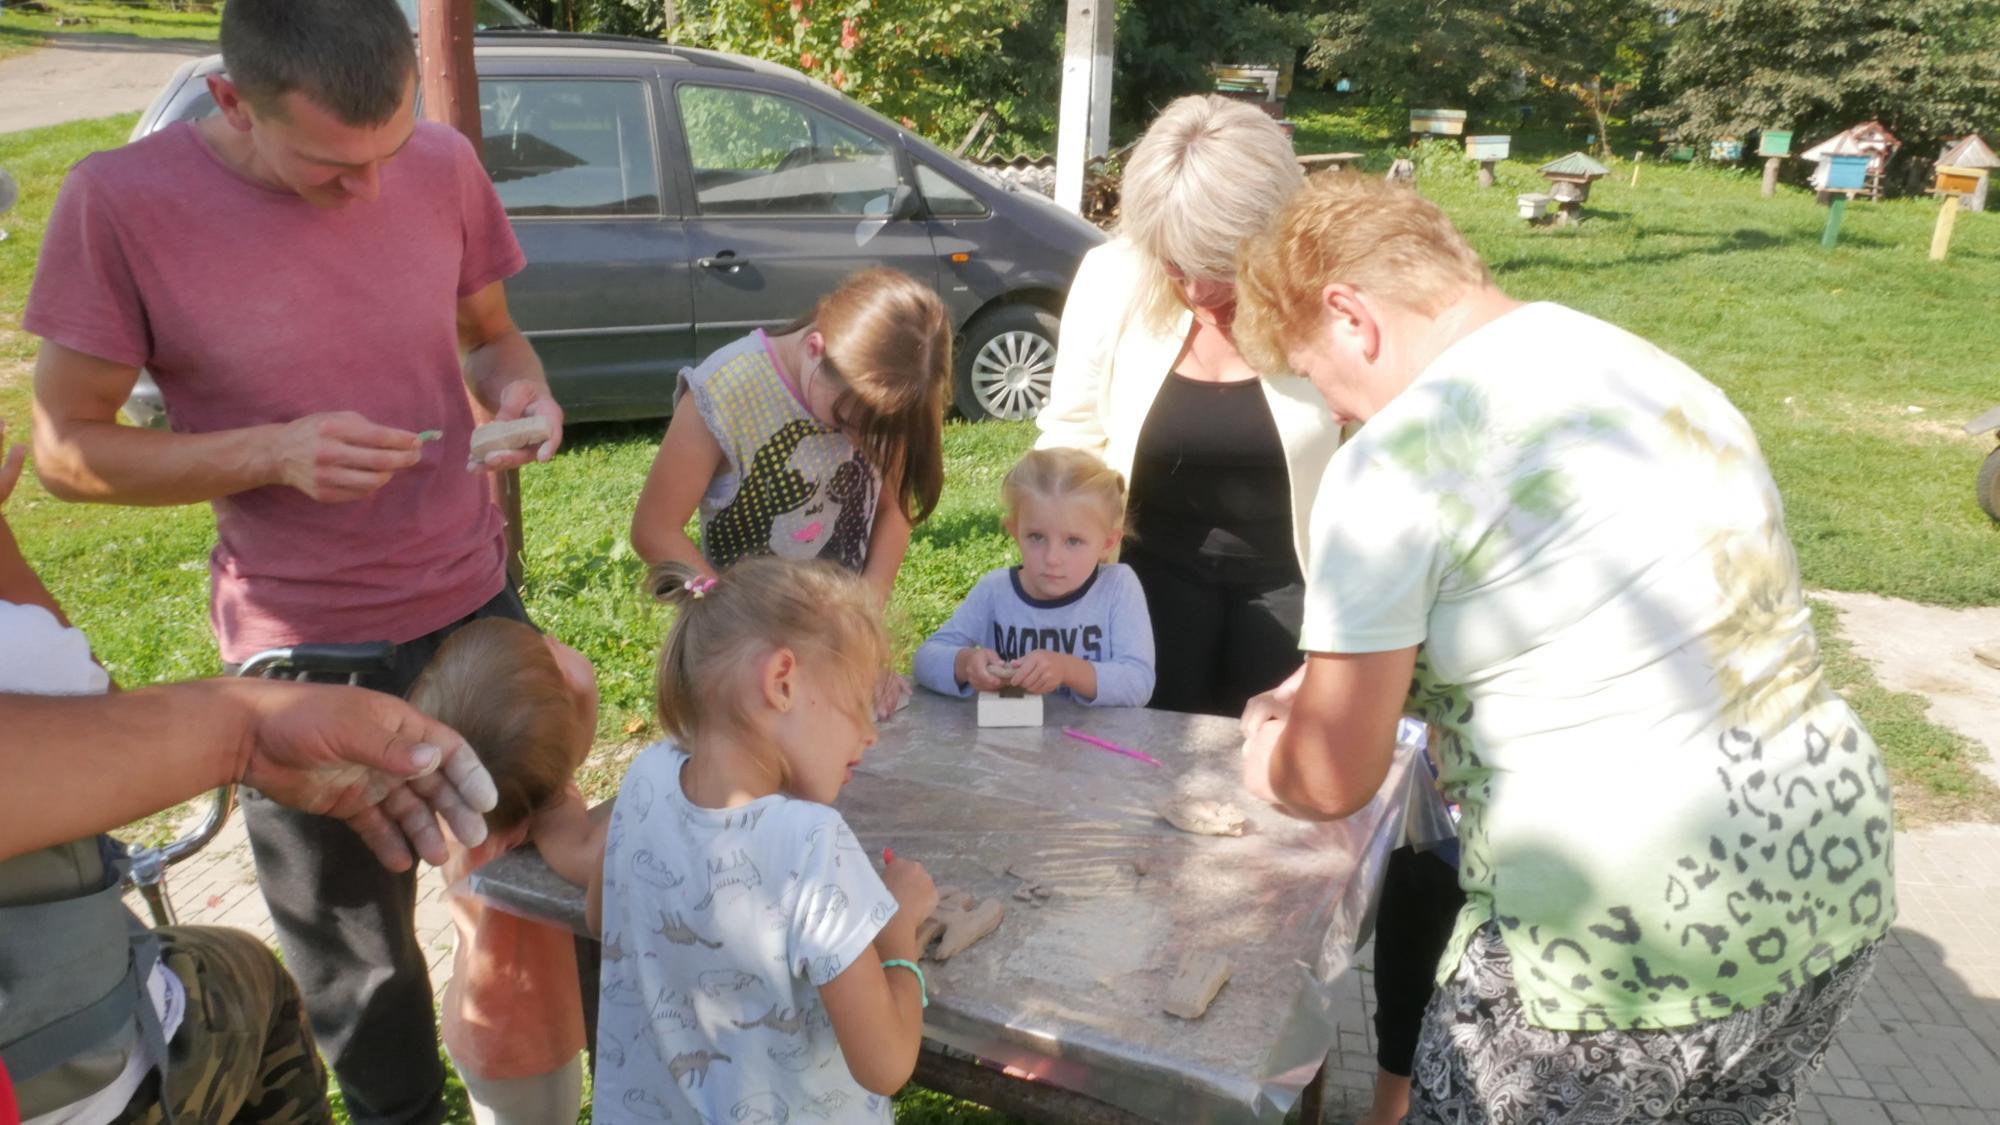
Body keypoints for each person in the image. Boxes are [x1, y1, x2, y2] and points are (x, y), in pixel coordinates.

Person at [1234, 174, 1895, 1123]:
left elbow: (1331, 778)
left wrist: (1268, 754)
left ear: (1351, 317)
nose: (1337, 412)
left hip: (1618, 926)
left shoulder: (1399, 456)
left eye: (1316, 377)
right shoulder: (1640, 367)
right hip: (1828, 867)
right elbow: (1577, 605)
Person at [21, 0, 561, 1116]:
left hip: (474, 602)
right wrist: (271, 452)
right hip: (304, 651)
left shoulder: (442, 162)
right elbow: (65, 451)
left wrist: (521, 391)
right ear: (232, 100)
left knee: (532, 897)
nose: (368, 189)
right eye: (329, 167)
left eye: (389, 151)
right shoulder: (118, 202)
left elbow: (492, 334)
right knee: (363, 979)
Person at [0, 420, 501, 1125]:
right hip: (64, 1073)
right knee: (255, 984)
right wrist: (243, 730)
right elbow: (76, 704)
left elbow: (78, 717)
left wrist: (247, 732)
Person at [586, 557, 938, 1123]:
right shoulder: (814, 844)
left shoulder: (645, 776)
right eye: (859, 704)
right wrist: (898, 930)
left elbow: (601, 916)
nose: (870, 733)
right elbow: (886, 1064)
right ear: (782, 683)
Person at [1036, 93, 1339, 720]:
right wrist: (1056, 575)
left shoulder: (1334, 293)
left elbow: (1387, 462)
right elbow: (1072, 436)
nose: (1198, 291)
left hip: (1302, 580)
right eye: (1176, 266)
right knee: (1137, 754)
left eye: (1221, 268)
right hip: (1146, 578)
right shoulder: (1113, 276)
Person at [404, 620, 609, 1125]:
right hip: (525, 1042)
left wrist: (573, 703)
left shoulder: (458, 794)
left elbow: (556, 766)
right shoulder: (540, 815)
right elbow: (587, 857)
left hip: (490, 1023)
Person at [913, 447, 1154, 706]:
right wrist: (965, 664)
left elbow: (1138, 683)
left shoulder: (1117, 587)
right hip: (1009, 731)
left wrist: (1067, 670)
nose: (1052, 558)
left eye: (1073, 541)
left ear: (1108, 543)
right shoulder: (995, 591)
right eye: (1036, 537)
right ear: (1015, 532)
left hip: (1096, 733)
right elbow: (924, 659)